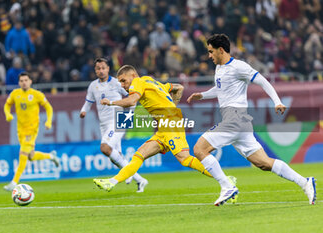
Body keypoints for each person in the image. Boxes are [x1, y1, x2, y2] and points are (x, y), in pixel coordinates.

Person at [187, 34, 316, 205]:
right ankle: (305, 182)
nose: (209, 56)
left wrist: (277, 101)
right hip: (240, 123)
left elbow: (263, 81)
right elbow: (221, 89)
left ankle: (227, 186)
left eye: (211, 52)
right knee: (263, 163)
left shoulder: (239, 66)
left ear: (221, 50)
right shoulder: (219, 68)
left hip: (235, 119)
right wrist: (202, 95)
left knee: (199, 149)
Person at [93, 65, 237, 204]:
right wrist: (173, 106)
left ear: (133, 75)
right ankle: (111, 182)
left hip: (170, 123)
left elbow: (131, 101)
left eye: (124, 80)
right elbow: (178, 88)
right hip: (164, 127)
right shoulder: (152, 82)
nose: (123, 85)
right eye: (120, 82)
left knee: (185, 159)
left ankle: (226, 180)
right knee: (139, 154)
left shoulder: (137, 82)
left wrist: (110, 102)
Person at [80, 58, 148, 192]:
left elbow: (132, 98)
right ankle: (140, 180)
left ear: (108, 69)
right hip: (104, 124)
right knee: (114, 156)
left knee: (105, 148)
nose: (101, 70)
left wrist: (129, 115)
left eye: (103, 68)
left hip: (118, 120)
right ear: (95, 70)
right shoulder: (93, 86)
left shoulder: (118, 83)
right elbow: (88, 102)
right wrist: (83, 111)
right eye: (98, 68)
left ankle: (127, 175)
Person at [3, 72, 60, 191]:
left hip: (32, 129)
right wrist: (8, 114)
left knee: (22, 153)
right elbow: (7, 105)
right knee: (30, 156)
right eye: (22, 81)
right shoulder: (15, 94)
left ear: (30, 81)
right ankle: (51, 156)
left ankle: (14, 182)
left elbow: (49, 107)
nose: (24, 82)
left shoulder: (36, 94)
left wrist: (49, 121)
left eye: (26, 80)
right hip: (20, 130)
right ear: (19, 83)